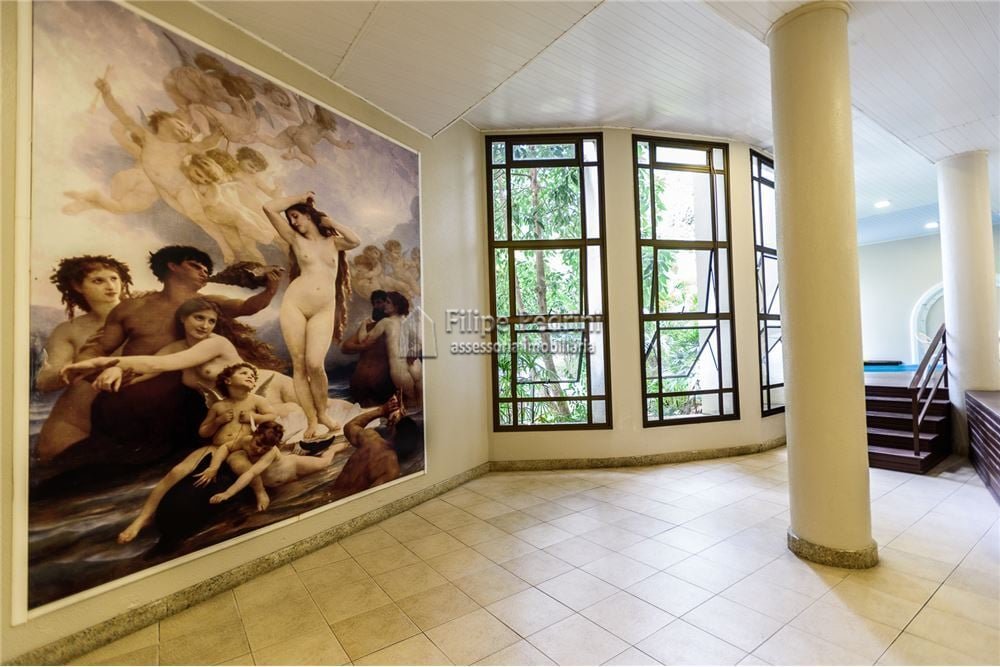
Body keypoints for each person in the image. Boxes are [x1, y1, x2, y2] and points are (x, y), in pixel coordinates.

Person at [115, 363, 277, 544]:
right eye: (244, 373)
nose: (250, 376)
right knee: (176, 471)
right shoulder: (218, 406)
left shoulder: (256, 401)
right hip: (216, 447)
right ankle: (142, 519)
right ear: (228, 380)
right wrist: (218, 421)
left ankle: (260, 492)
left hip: (239, 449)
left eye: (253, 376)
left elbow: (272, 416)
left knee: (243, 468)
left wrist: (255, 417)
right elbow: (203, 432)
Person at [63, 298, 299, 414]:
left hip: (269, 389)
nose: (205, 325)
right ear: (183, 318)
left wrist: (100, 362)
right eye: (199, 318)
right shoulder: (177, 347)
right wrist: (115, 370)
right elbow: (147, 370)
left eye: (211, 321)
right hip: (236, 409)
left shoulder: (215, 343)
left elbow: (162, 364)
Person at [264, 192, 360, 440]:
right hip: (295, 305)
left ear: (309, 215)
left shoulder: (333, 242)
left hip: (323, 309)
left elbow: (355, 240)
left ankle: (323, 413)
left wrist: (331, 223)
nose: (293, 222)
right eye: (290, 218)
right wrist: (298, 197)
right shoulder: (295, 239)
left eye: (296, 216)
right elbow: (269, 208)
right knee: (299, 364)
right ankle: (312, 420)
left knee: (315, 364)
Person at [35, 256, 133, 461]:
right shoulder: (69, 330)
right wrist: (80, 367)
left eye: (114, 278)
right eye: (98, 280)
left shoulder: (144, 316)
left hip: (129, 420)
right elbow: (44, 382)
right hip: (75, 424)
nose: (110, 286)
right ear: (77, 286)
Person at [208, 420, 347, 505]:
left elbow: (252, 473)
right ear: (254, 434)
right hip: (281, 481)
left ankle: (333, 449)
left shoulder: (271, 452)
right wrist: (214, 467)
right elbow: (226, 447)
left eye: (265, 448)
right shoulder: (245, 441)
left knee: (326, 462)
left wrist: (228, 493)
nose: (259, 449)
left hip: (294, 466)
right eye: (258, 443)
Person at [180, 153, 269, 263]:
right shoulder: (199, 186)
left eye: (206, 179)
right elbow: (210, 202)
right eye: (199, 175)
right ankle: (261, 236)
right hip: (218, 213)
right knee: (239, 219)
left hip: (220, 213)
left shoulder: (214, 185)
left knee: (237, 236)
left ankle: (253, 260)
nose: (202, 179)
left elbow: (216, 198)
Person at [331, 395, 421, 497]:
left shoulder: (371, 439)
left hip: (328, 494)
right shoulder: (391, 468)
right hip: (345, 501)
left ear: (394, 432)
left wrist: (381, 411)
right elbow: (372, 497)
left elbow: (350, 426)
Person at [357, 291, 422, 403]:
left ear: (395, 307)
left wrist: (363, 324)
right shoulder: (407, 320)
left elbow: (363, 341)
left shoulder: (385, 322)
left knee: (410, 403)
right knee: (421, 403)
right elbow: (419, 343)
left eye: (388, 302)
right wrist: (413, 351)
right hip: (415, 365)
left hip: (399, 368)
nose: (385, 305)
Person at [341, 290, 395, 407]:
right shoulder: (368, 327)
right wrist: (362, 346)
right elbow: (345, 347)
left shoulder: (395, 326)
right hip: (358, 388)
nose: (376, 306)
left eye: (379, 302)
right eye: (374, 303)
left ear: (388, 304)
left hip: (381, 388)